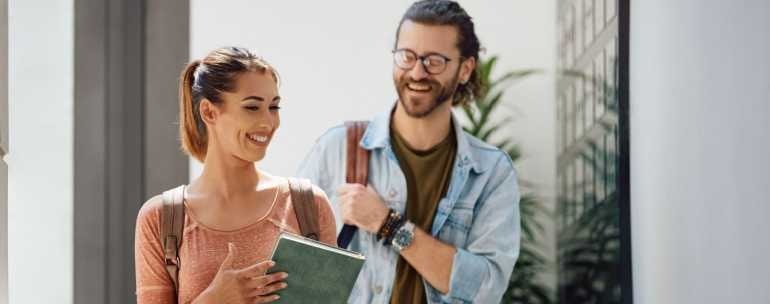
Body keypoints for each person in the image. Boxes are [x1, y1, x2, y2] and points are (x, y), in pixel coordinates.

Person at [296, 1, 521, 303]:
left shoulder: (491, 171)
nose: (417, 72)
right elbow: (291, 273)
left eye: (434, 61)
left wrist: (388, 224)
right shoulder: (336, 148)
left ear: (465, 69)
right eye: (407, 56)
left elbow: (486, 287)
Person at [135, 47, 337, 304]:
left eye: (274, 107)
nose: (269, 122)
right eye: (252, 107)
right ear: (209, 112)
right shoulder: (161, 218)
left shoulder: (307, 205)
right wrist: (214, 300)